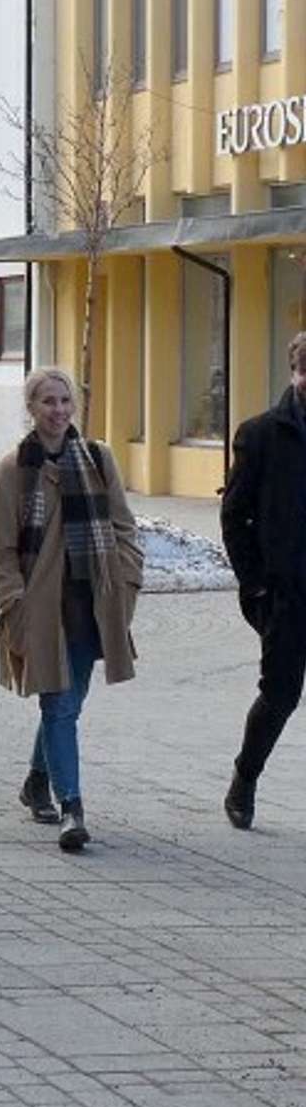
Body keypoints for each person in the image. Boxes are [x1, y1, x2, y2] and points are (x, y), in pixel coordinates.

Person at [0, 367, 142, 850]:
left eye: (64, 402)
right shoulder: (13, 470)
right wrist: (15, 606)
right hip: (42, 608)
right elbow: (3, 552)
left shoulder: (97, 459)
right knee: (59, 705)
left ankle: (37, 780)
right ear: (31, 408)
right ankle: (71, 806)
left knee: (66, 703)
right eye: (47, 402)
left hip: (92, 604)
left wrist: (127, 578)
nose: (57, 411)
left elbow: (123, 527)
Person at [221, 331, 306, 830]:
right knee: (280, 695)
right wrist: (254, 586)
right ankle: (245, 777)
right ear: (295, 372)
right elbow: (235, 517)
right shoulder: (260, 434)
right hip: (286, 594)